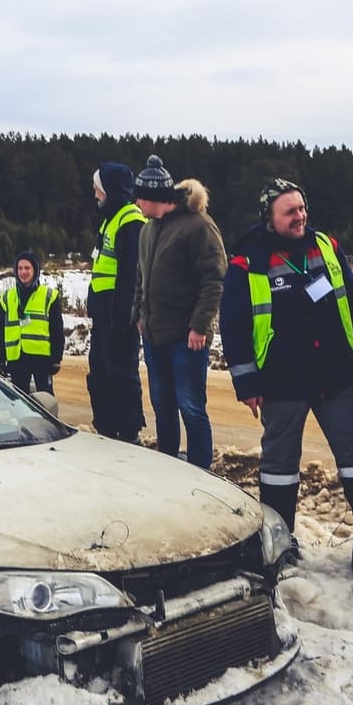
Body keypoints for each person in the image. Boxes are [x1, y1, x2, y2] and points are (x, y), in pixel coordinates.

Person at [220, 178, 353, 543]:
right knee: (280, 468)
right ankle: (280, 540)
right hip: (281, 381)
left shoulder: (326, 247)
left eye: (302, 208)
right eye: (290, 211)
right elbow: (233, 326)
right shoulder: (247, 261)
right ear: (269, 216)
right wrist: (246, 382)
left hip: (336, 374)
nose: (300, 217)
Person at [130, 154, 226, 469]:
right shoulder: (148, 230)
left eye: (140, 198)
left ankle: (200, 471)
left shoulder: (198, 226)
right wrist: (139, 315)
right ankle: (168, 466)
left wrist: (200, 326)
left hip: (188, 338)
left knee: (192, 408)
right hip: (155, 336)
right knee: (162, 404)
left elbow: (214, 279)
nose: (138, 204)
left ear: (152, 198)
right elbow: (141, 277)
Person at [87, 162, 147, 443]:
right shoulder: (110, 219)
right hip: (102, 316)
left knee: (121, 376)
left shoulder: (130, 219)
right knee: (100, 375)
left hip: (118, 317)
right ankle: (107, 429)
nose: (95, 193)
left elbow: (129, 276)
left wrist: (122, 319)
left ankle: (129, 434)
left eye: (98, 187)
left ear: (110, 189)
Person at [0, 251, 63, 394]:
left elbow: (57, 330)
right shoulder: (7, 297)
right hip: (17, 359)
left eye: (27, 268)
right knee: (18, 401)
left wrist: (56, 358)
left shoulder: (49, 295)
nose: (23, 272)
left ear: (35, 270)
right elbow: (0, 331)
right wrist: (0, 359)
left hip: (42, 359)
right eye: (20, 268)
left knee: (45, 399)